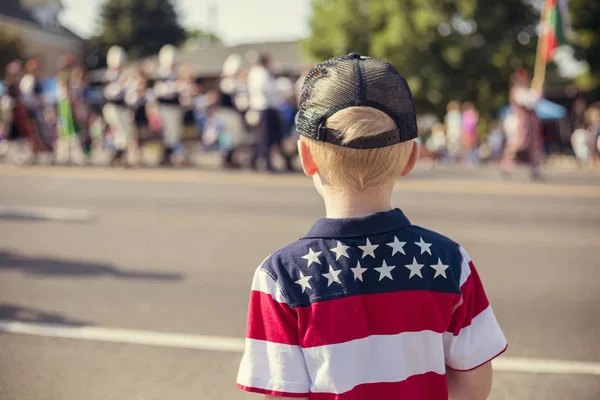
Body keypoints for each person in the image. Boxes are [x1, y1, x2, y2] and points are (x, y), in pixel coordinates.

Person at [236, 53, 507, 400]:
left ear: (306, 157)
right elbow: (474, 385)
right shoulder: (451, 262)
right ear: (411, 157)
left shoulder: (280, 278)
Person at [247, 53, 293, 172]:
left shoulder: (262, 73)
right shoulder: (260, 73)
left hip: (269, 108)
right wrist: (281, 88)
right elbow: (267, 89)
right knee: (266, 137)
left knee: (270, 136)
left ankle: (258, 160)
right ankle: (265, 162)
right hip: (265, 108)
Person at [102, 46, 134, 167]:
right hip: (112, 108)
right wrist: (121, 84)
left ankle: (119, 156)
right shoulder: (109, 76)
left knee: (126, 133)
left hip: (122, 108)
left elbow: (129, 94)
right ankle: (118, 157)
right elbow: (109, 93)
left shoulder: (123, 75)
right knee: (120, 132)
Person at [461, 101, 479, 165]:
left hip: (471, 132)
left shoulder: (469, 114)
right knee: (469, 146)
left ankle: (471, 159)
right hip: (468, 132)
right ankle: (469, 159)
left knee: (471, 146)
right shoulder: (467, 114)